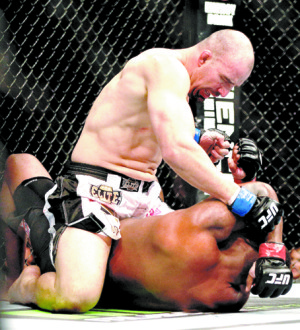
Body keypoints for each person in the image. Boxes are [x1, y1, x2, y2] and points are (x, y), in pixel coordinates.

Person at [1, 28, 283, 312]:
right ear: (205, 58)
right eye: (225, 81)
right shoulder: (163, 67)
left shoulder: (178, 89)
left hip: (144, 201)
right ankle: (25, 285)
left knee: (190, 256)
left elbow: (163, 136)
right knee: (76, 295)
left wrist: (199, 142)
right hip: (95, 195)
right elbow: (176, 150)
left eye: (232, 88)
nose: (223, 92)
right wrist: (239, 196)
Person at [2, 139, 292, 312]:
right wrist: (274, 253)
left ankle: (17, 282)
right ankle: (16, 278)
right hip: (98, 253)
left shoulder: (213, 232)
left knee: (21, 166)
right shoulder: (230, 295)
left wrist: (273, 250)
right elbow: (266, 200)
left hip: (84, 252)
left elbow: (265, 198)